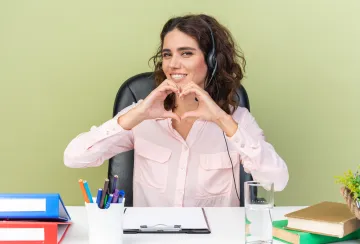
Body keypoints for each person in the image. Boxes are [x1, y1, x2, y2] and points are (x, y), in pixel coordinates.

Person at [64, 14, 289, 207]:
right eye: (167, 54)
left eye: (186, 53)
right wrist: (136, 115)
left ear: (212, 61)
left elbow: (277, 180)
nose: (173, 64)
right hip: (151, 237)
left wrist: (223, 120)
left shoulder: (236, 119)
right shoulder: (142, 115)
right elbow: (74, 157)